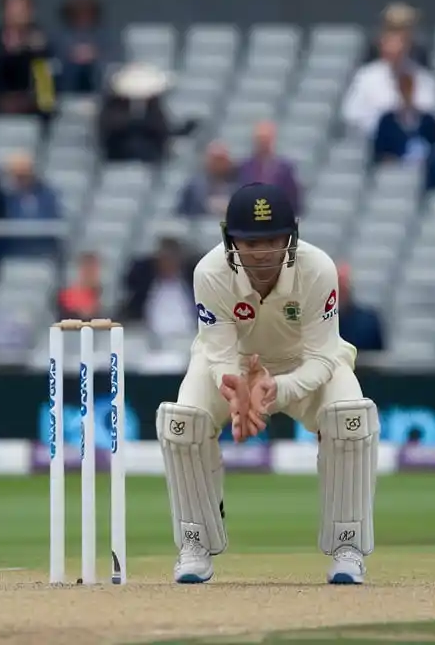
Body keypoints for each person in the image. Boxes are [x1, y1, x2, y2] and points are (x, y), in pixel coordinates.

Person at [156, 182, 376, 586]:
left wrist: (279, 388)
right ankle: (195, 543)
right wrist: (239, 391)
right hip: (233, 363)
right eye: (251, 242)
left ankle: (348, 546)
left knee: (350, 419)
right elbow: (218, 353)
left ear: (291, 237)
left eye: (273, 241)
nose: (262, 254)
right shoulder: (209, 272)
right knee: (183, 423)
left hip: (304, 363)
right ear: (231, 239)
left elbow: (325, 356)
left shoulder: (319, 268)